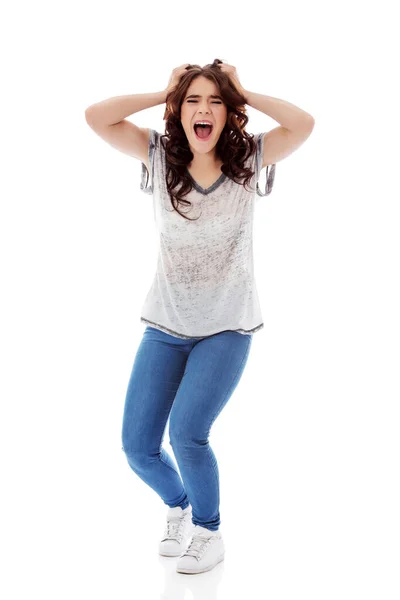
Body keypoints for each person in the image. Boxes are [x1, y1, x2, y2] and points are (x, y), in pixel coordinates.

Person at [85, 58, 314, 575]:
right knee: (138, 447)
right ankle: (180, 506)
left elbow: (304, 124)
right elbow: (97, 117)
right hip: (166, 325)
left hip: (226, 327)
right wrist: (163, 91)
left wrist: (244, 90)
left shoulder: (249, 159)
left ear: (228, 110)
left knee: (187, 432)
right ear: (179, 111)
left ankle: (209, 531)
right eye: (193, 101)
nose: (203, 110)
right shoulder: (159, 155)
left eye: (215, 100)